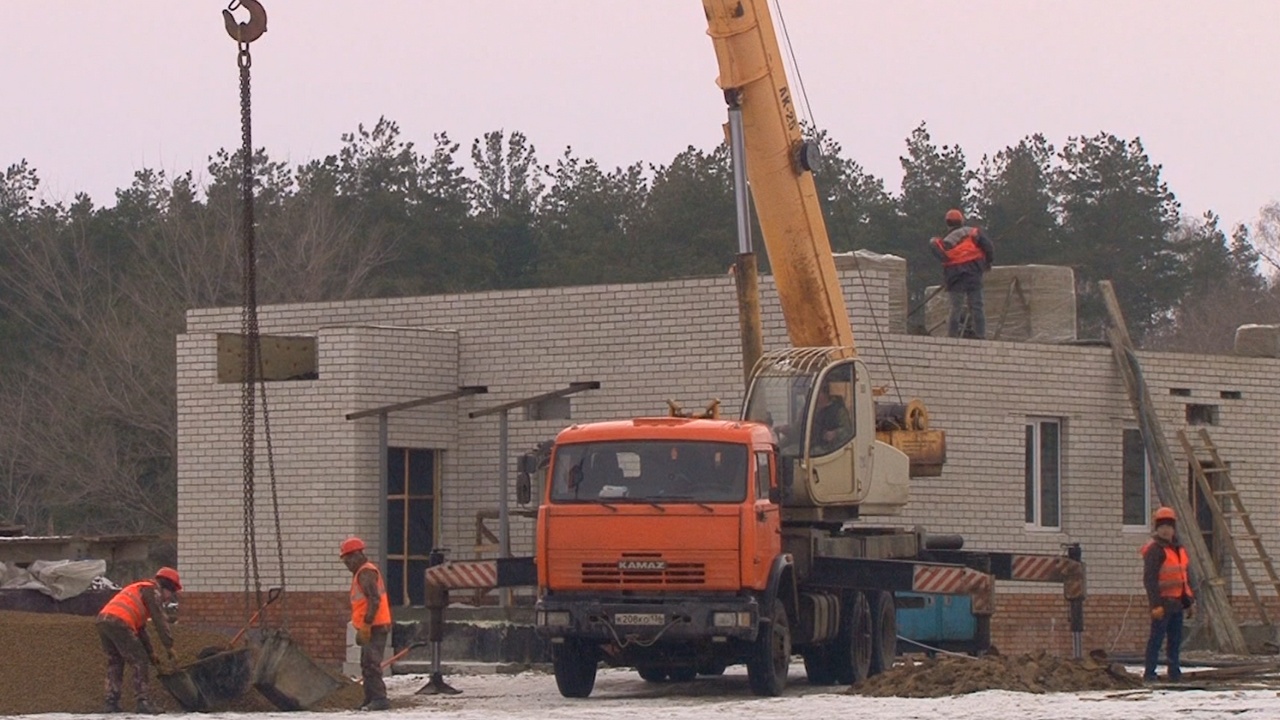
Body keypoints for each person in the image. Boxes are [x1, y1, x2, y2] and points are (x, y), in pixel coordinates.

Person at [96, 566, 182, 714]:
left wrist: (152, 653)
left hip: (103, 620)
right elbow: (159, 620)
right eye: (171, 593)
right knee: (139, 660)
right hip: (120, 621)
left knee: (115, 660)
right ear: (166, 587)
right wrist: (169, 647)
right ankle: (143, 702)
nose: (169, 598)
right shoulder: (152, 590)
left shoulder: (138, 589)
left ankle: (111, 702)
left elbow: (140, 630)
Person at [1141, 507, 1196, 683]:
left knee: (1175, 640)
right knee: (1156, 640)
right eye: (1162, 526)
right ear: (1157, 529)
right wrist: (1155, 605)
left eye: (1169, 526)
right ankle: (1150, 673)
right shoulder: (1155, 550)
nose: (1165, 530)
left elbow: (1184, 578)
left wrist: (1188, 602)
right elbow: (1150, 580)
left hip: (1177, 603)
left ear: (1174, 528)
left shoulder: (1179, 549)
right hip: (1163, 603)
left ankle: (1174, 672)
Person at [341, 536, 393, 711]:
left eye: (347, 560)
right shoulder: (362, 572)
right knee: (366, 663)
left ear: (355, 556)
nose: (347, 565)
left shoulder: (365, 573)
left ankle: (380, 698)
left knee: (371, 663)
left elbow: (374, 600)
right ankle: (370, 698)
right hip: (372, 625)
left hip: (375, 626)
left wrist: (366, 624)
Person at [929, 209, 995, 339]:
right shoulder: (973, 232)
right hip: (973, 272)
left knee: (955, 308)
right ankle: (980, 335)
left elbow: (942, 257)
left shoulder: (946, 241)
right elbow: (989, 247)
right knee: (977, 306)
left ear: (947, 224)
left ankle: (953, 336)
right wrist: (987, 263)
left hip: (955, 275)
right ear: (962, 221)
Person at [809, 382, 852, 455]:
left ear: (825, 394)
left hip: (831, 449)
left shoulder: (838, 410)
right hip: (813, 444)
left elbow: (847, 430)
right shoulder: (813, 410)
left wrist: (835, 433)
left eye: (818, 393)